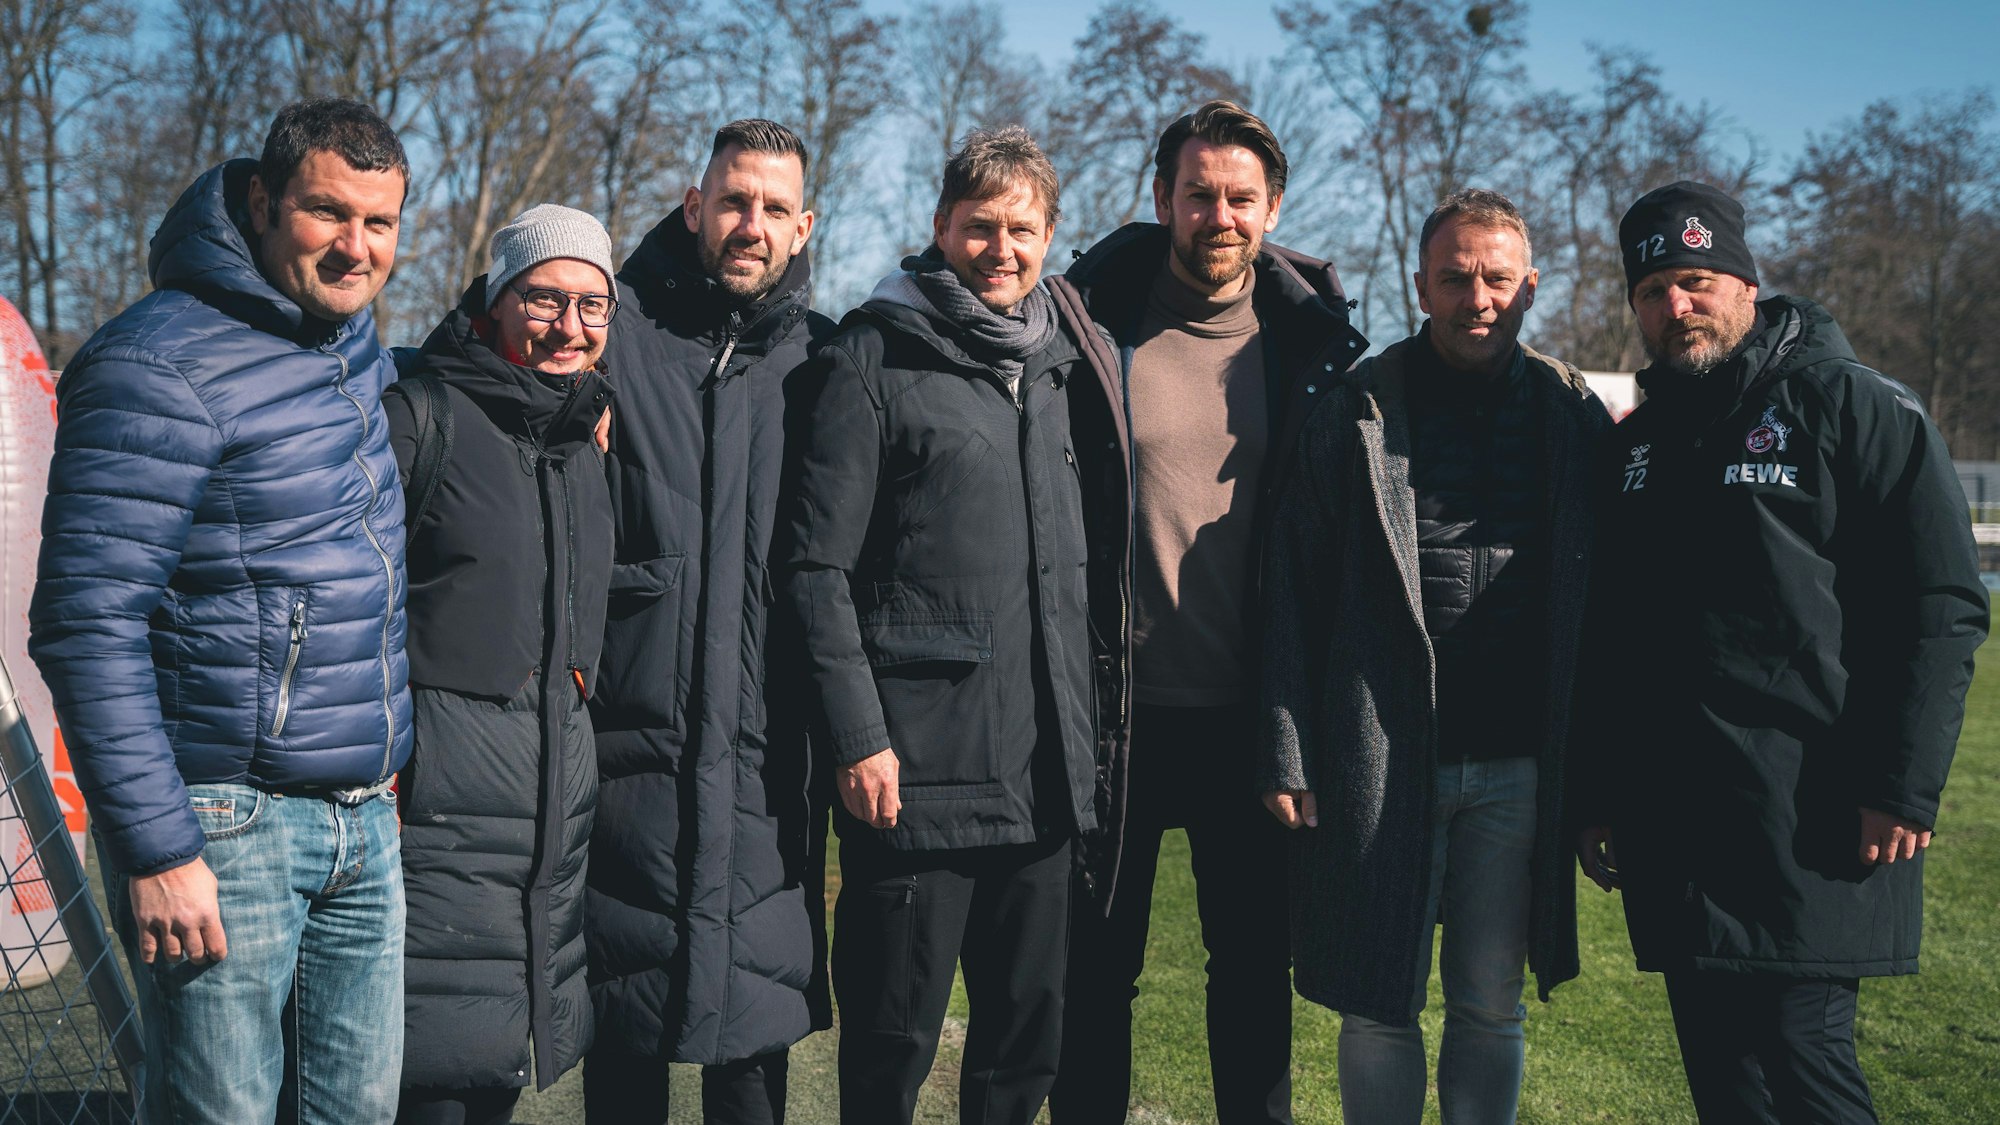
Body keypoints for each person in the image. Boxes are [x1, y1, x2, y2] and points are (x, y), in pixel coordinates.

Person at [27, 97, 412, 1122]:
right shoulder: (156, 361)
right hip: (221, 826)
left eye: (379, 224)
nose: (355, 247)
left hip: (363, 817)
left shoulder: (352, 349)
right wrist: (157, 849)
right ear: (258, 200)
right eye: (328, 214)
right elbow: (85, 620)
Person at [1574, 181, 1988, 1123]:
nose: (1675, 305)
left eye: (1695, 280)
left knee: (1806, 1062)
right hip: (1677, 821)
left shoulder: (1852, 405)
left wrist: (1901, 783)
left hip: (1812, 814)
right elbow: (1613, 635)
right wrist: (1599, 791)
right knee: (1724, 1079)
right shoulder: (1638, 442)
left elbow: (1942, 602)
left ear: (1746, 283)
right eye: (1652, 291)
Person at [1258, 189, 1608, 1123]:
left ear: (1531, 286)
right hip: (1379, 759)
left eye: (1497, 278)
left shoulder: (1573, 414)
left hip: (1516, 770)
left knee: (1489, 1006)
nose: (1476, 297)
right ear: (1420, 283)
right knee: (1378, 1004)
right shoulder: (1357, 408)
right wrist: (1289, 747)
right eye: (1455, 278)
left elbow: (1606, 614)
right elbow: (1292, 591)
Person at [1049, 100, 1366, 1125]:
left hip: (1250, 717)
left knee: (1248, 980)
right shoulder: (1082, 322)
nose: (1217, 215)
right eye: (1198, 194)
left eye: (1239, 197)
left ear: (1271, 209)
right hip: (1114, 717)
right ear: (1161, 200)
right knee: (1094, 979)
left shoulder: (1314, 349)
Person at [784, 125, 1098, 1125]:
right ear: (938, 226)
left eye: (1020, 229)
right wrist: (858, 735)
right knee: (889, 1049)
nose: (999, 250)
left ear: (1048, 234)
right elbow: (812, 568)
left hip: (1045, 779)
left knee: (1021, 1055)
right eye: (978, 227)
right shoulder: (867, 358)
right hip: (914, 779)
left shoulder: (1060, 365)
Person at [583, 119, 830, 1125]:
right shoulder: (609, 332)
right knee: (624, 1023)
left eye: (774, 208)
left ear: (803, 225)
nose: (750, 224)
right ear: (694, 207)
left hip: (768, 757)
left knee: (750, 1034)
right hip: (624, 748)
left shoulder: (822, 360)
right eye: (733, 201)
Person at [386, 204, 617, 1125]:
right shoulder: (420, 415)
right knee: (423, 1084)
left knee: (489, 1084)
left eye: (593, 306)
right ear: (495, 298)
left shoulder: (584, 445)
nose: (570, 327)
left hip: (545, 833)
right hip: (433, 822)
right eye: (546, 299)